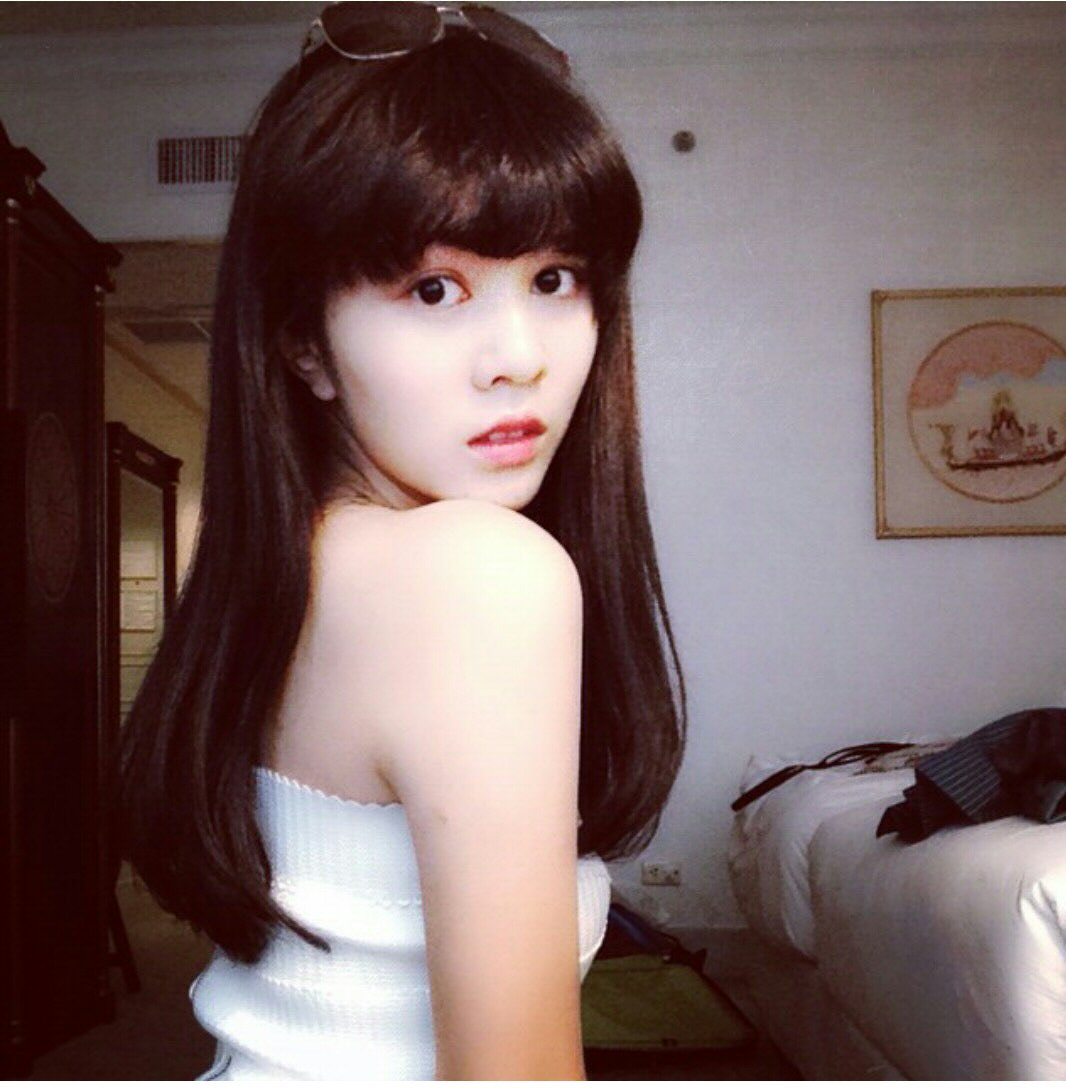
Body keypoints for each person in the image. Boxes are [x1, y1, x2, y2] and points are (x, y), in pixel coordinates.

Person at [115, 2, 687, 1080]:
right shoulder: (477, 573)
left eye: (555, 278)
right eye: (434, 288)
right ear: (304, 343)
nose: (518, 357)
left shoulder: (299, 567)